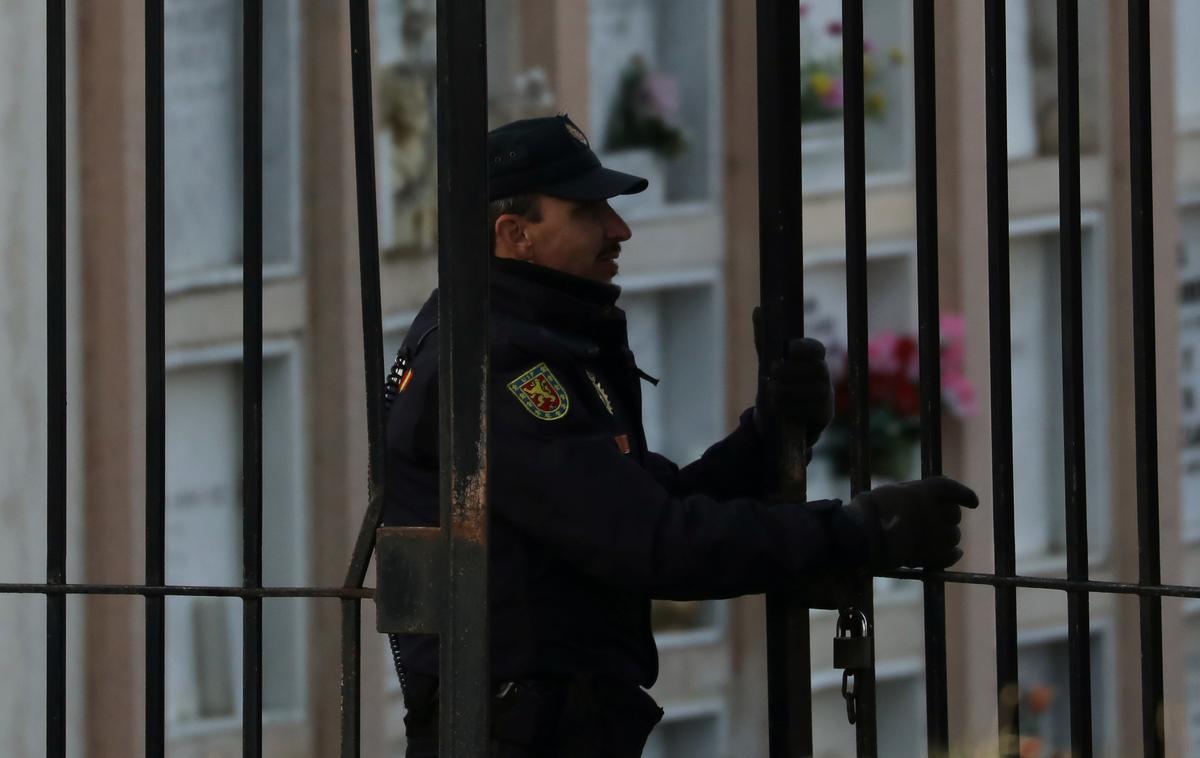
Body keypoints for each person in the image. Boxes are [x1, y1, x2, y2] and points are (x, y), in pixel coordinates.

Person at [383, 114, 978, 758]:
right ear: (515, 233)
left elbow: (640, 506)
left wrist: (770, 437)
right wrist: (859, 532)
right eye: (588, 210)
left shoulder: (527, 339)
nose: (619, 229)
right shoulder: (499, 366)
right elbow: (650, 543)